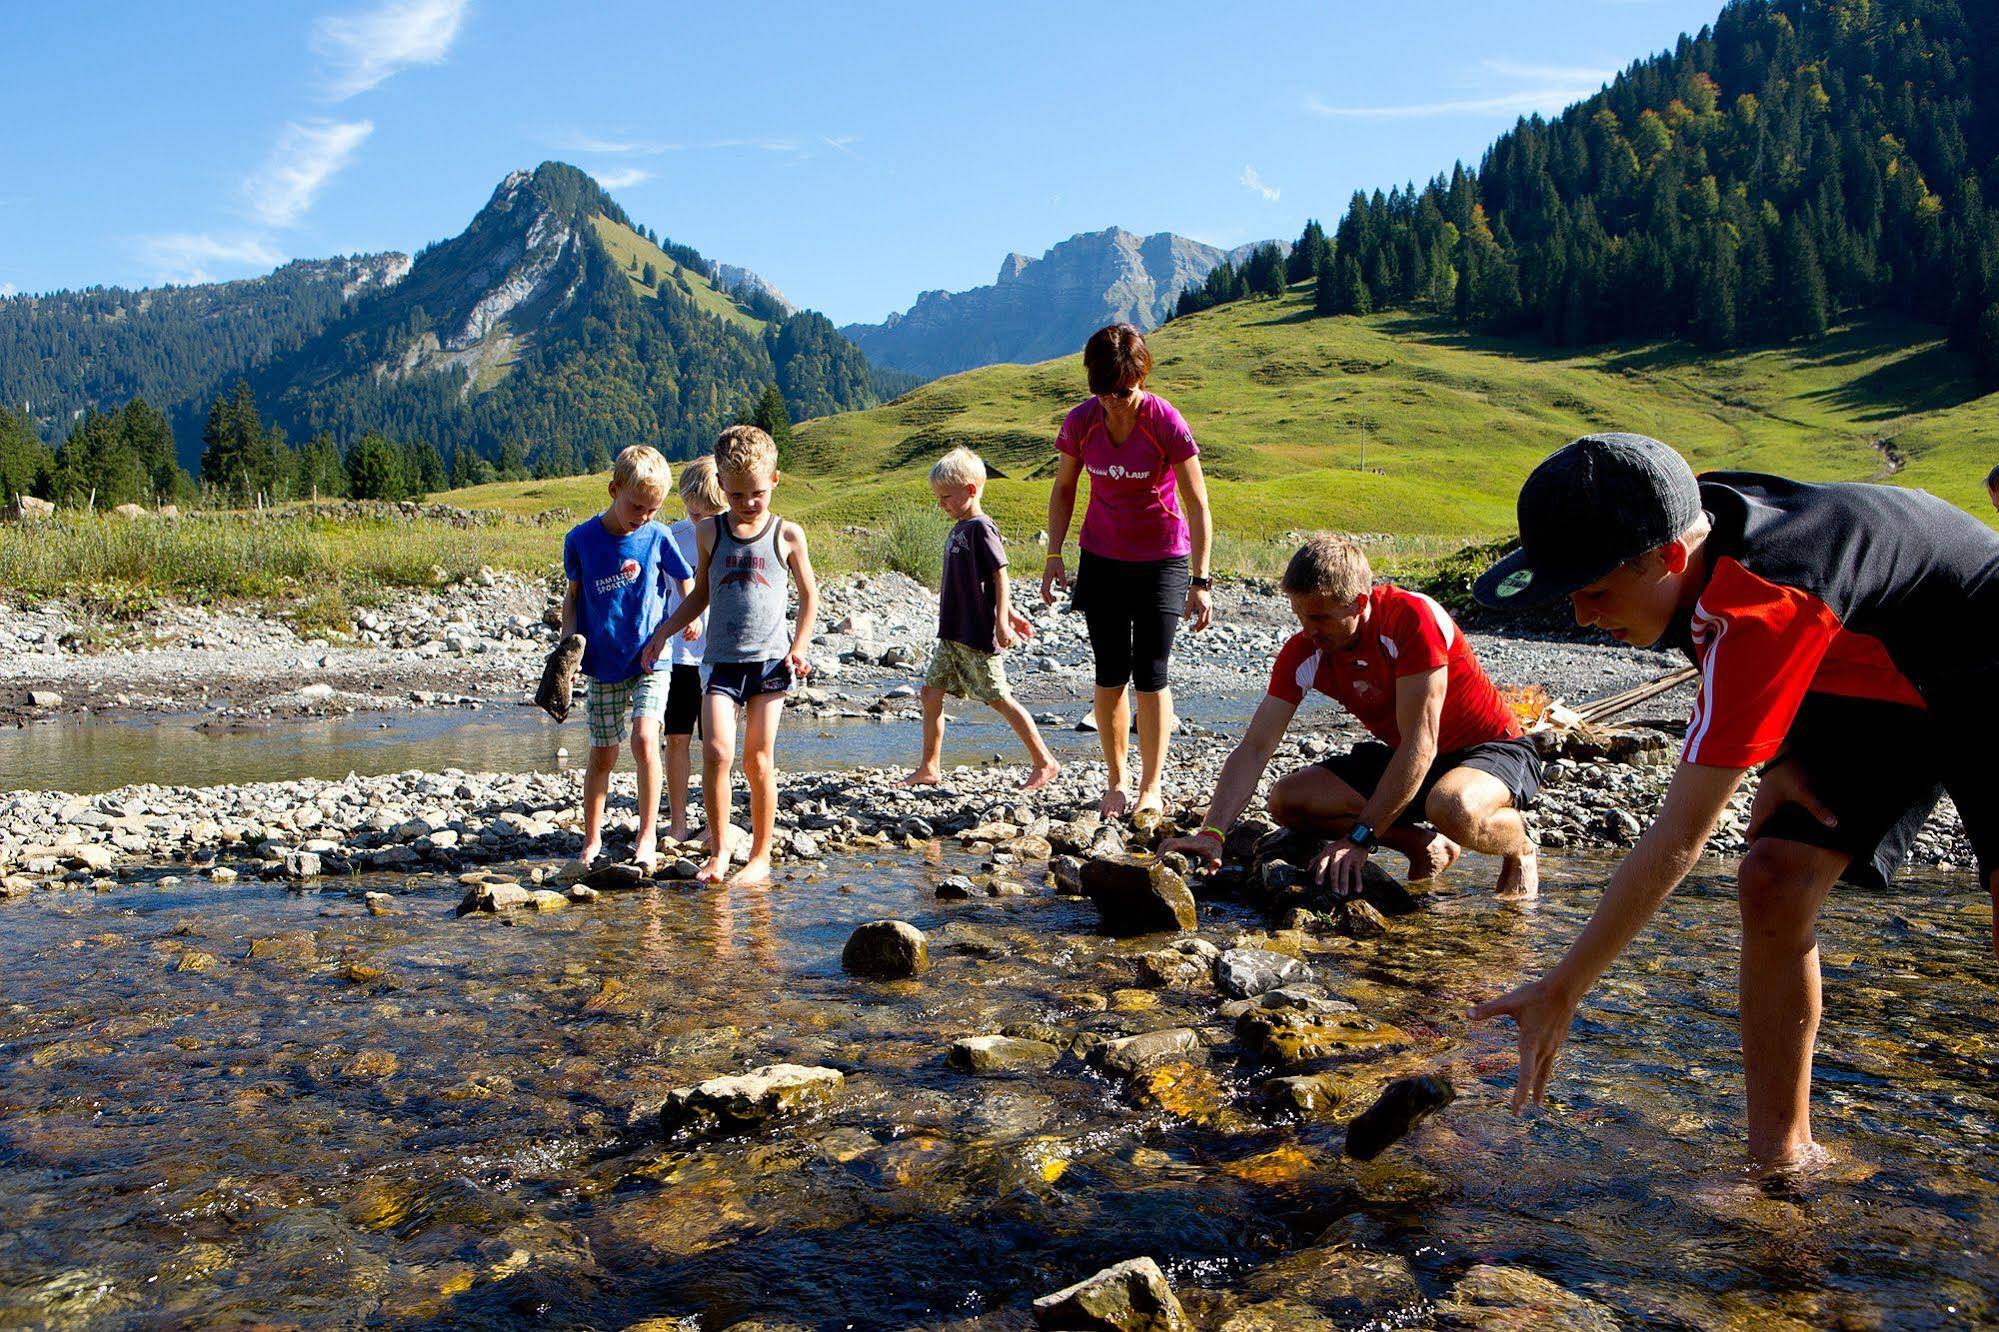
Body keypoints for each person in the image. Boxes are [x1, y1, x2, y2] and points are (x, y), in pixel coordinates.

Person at [1467, 432, 1998, 1172]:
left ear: (1668, 558)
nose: (1581, 618)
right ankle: (1781, 1160)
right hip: (1868, 670)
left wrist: (1563, 986)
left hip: (1985, 646)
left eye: (1592, 592)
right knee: (1771, 878)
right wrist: (1780, 755)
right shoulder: (1678, 518)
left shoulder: (1761, 598)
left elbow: (1679, 837)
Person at [1162, 534, 1539, 897]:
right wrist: (1212, 833)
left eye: (1320, 618)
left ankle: (1521, 846)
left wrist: (1360, 838)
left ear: (1359, 603)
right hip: (1410, 757)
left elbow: (1420, 746)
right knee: (1288, 800)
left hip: (1491, 751)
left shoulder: (1410, 619)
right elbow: (1256, 747)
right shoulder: (1305, 651)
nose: (1309, 630)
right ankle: (1424, 846)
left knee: (1453, 806)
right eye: (1299, 616)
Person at [1040, 323, 1214, 820]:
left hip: (1162, 559)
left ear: (1141, 377)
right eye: (1104, 392)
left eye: (1125, 391)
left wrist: (1200, 580)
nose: (1115, 401)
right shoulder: (1081, 422)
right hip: (1102, 558)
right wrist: (1054, 555)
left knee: (1151, 675)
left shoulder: (1165, 420)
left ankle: (1151, 786)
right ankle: (1117, 782)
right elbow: (1064, 489)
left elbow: (1197, 505)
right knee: (1110, 673)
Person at [645, 425, 818, 887]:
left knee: (757, 759)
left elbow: (809, 597)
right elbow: (698, 593)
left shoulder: (788, 535)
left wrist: (799, 647)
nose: (747, 503)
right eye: (737, 494)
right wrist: (664, 632)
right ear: (721, 486)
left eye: (757, 493)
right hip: (719, 663)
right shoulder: (709, 532)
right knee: (717, 751)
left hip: (770, 664)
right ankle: (720, 851)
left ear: (775, 481)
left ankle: (759, 855)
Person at [560, 445, 695, 871]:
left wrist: (689, 614)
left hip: (652, 655)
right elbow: (573, 598)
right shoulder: (581, 540)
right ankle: (593, 836)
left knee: (643, 739)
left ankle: (648, 832)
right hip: (603, 662)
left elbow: (683, 575)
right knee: (603, 753)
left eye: (653, 509)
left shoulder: (658, 535)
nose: (643, 517)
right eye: (637, 506)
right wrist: (568, 645)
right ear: (613, 489)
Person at [901, 447, 1061, 791]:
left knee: (998, 697)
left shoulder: (981, 528)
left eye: (945, 496)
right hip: (952, 634)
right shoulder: (960, 527)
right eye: (938, 497)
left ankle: (1044, 761)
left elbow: (1000, 574)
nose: (940, 503)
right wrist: (1013, 613)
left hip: (975, 635)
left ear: (971, 490)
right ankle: (929, 767)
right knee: (930, 693)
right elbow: (984, 584)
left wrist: (1002, 622)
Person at [662, 456, 726, 845]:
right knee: (677, 737)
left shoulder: (730, 536)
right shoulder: (674, 536)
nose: (697, 518)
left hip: (718, 656)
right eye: (691, 510)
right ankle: (679, 819)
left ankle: (714, 821)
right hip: (678, 657)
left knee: (716, 745)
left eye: (708, 512)